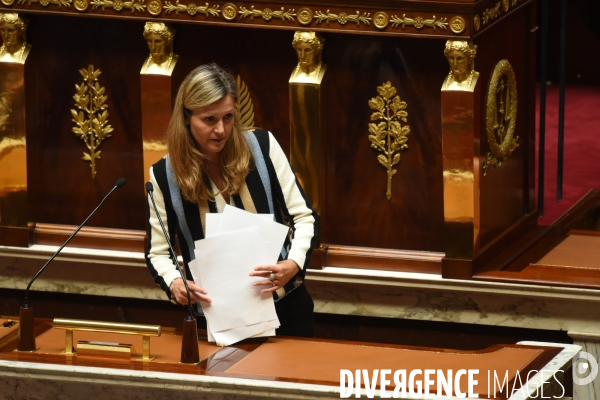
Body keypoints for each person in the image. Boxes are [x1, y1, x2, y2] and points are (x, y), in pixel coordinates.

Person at [145, 63, 317, 337]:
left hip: (286, 308)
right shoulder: (164, 176)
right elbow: (158, 252)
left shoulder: (262, 146)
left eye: (228, 117)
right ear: (187, 118)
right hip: (217, 320)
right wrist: (176, 282)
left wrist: (293, 263)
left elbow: (304, 217)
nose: (221, 130)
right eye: (209, 120)